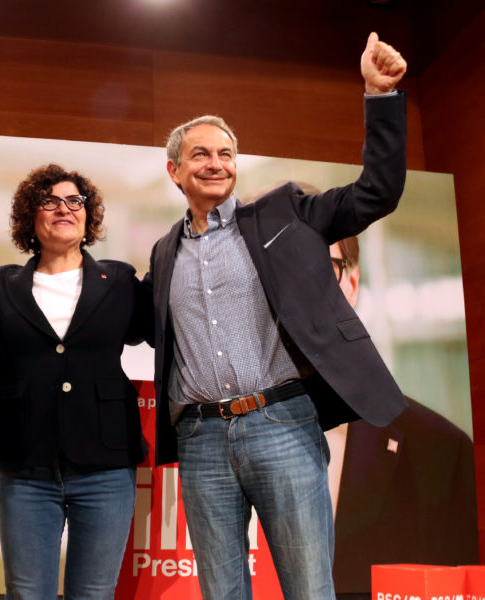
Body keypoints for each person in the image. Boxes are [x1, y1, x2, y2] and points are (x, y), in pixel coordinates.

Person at [144, 32, 408, 598]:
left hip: (281, 425)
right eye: (201, 154)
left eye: (225, 154)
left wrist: (379, 97)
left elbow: (376, 193)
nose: (216, 164)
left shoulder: (285, 213)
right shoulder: (164, 252)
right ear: (174, 171)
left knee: (309, 590)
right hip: (200, 439)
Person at [0, 164, 150, 600]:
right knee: (27, 592)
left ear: (88, 216)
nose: (63, 208)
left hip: (105, 466)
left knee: (93, 593)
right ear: (30, 217)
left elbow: (153, 330)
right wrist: (10, 383)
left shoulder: (122, 281)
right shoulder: (1, 285)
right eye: (49, 201)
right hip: (24, 465)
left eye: (75, 200)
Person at [325, 236, 479, 596]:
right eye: (280, 271)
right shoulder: (204, 448)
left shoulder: (439, 454)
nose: (300, 290)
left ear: (351, 283)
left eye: (322, 269)